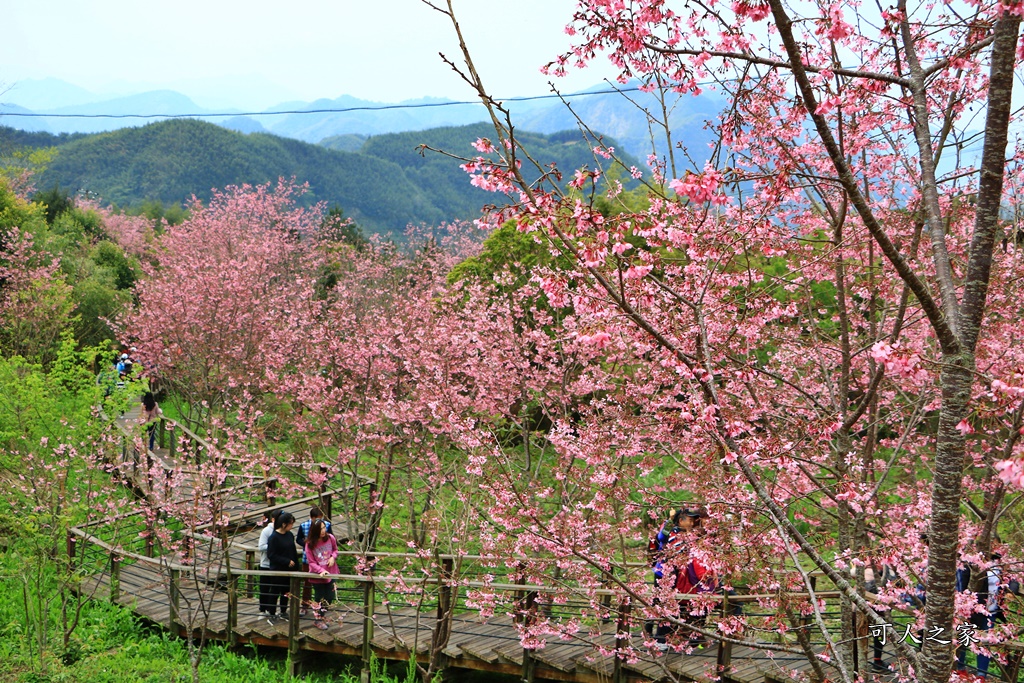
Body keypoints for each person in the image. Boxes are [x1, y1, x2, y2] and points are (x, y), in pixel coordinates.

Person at [956, 553, 1003, 680]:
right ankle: (959, 668)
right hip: (973, 609)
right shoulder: (971, 563)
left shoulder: (1000, 564)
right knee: (963, 638)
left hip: (991, 611)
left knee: (985, 642)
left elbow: (1010, 581)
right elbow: (962, 585)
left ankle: (981, 674)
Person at [295, 507, 332, 616]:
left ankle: (321, 606)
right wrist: (308, 546)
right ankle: (305, 605)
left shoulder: (327, 526)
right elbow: (298, 539)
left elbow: (330, 538)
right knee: (307, 583)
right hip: (308, 559)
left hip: (323, 560)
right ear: (311, 517)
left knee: (323, 584)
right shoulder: (304, 525)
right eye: (316, 519)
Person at [305, 519, 340, 630]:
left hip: (331, 572)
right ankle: (318, 619)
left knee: (329, 597)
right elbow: (311, 562)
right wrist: (321, 571)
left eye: (324, 527)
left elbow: (335, 550)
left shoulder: (330, 538)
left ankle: (322, 616)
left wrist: (332, 557)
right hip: (317, 575)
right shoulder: (309, 544)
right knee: (319, 598)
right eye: (320, 529)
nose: (323, 531)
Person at [265, 512, 298, 622]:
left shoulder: (289, 535)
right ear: (284, 524)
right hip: (277, 569)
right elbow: (271, 555)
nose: (291, 526)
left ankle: (283, 611)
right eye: (290, 524)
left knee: (286, 591)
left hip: (289, 569)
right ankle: (272, 613)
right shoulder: (274, 537)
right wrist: (285, 561)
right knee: (275, 591)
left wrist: (296, 566)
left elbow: (293, 551)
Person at [257, 510, 282, 615]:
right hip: (266, 564)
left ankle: (272, 610)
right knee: (265, 588)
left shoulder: (283, 530)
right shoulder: (267, 531)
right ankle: (263, 609)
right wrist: (275, 548)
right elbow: (261, 546)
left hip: (278, 565)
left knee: (275, 589)